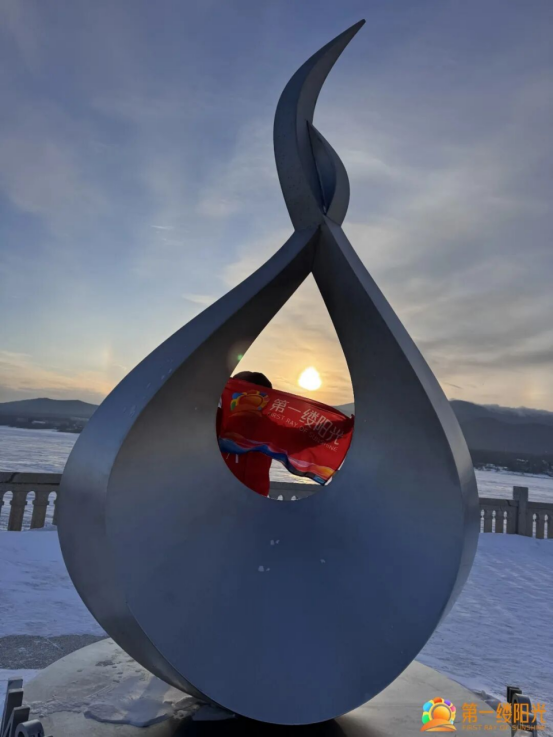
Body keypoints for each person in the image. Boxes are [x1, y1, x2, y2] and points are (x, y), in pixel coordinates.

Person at [217, 371, 273, 496]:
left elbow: (298, 439)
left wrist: (319, 427)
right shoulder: (217, 420)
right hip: (221, 498)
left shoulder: (269, 428)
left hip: (256, 501)